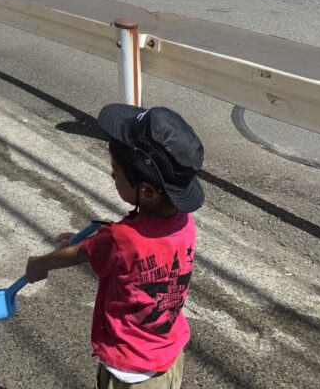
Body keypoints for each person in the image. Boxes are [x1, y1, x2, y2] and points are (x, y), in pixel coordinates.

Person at [25, 104, 204, 389]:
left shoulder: (120, 239)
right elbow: (135, 243)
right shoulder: (184, 221)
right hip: (169, 356)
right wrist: (94, 239)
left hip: (129, 369)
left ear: (147, 191)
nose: (113, 178)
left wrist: (39, 264)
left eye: (116, 175)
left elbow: (80, 254)